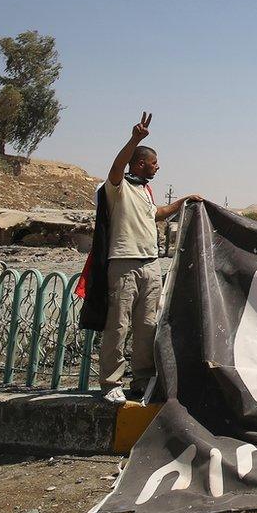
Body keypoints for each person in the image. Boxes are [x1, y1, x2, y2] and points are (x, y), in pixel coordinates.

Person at [86, 112, 200, 404]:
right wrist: (135, 138)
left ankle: (142, 379)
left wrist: (184, 201)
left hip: (150, 264)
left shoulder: (145, 191)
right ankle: (111, 381)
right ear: (139, 163)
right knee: (118, 325)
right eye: (153, 163)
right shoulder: (117, 187)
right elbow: (116, 167)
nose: (157, 166)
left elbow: (157, 215)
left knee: (147, 325)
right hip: (124, 263)